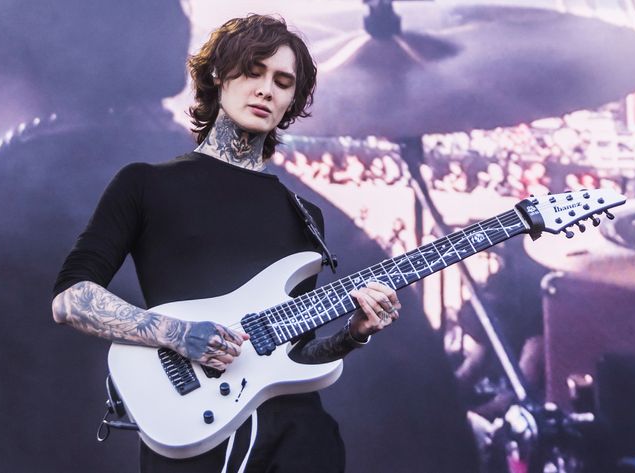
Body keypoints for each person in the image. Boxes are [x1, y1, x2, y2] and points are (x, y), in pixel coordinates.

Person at [51, 15, 402, 472]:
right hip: (197, 432)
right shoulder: (145, 184)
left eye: (282, 82)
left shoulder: (305, 215)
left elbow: (296, 354)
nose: (266, 90)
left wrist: (353, 336)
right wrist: (179, 335)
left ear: (291, 102)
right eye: (253, 71)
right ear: (219, 75)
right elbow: (71, 299)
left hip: (300, 440)